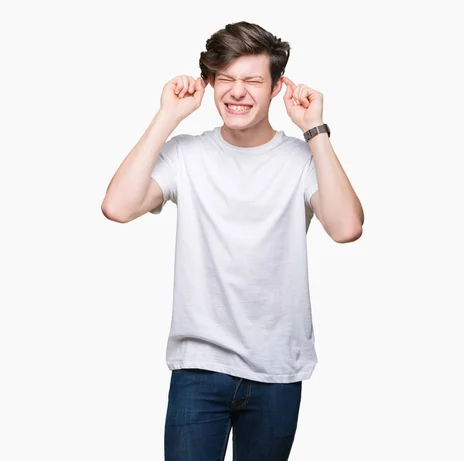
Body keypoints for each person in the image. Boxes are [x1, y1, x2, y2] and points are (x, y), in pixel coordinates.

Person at [101, 20, 364, 461]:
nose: (237, 92)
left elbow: (346, 228)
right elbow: (118, 207)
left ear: (276, 87)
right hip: (199, 368)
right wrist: (167, 115)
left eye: (252, 80)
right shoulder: (186, 154)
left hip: (277, 368)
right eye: (225, 79)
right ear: (210, 83)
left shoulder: (301, 160)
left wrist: (315, 131)